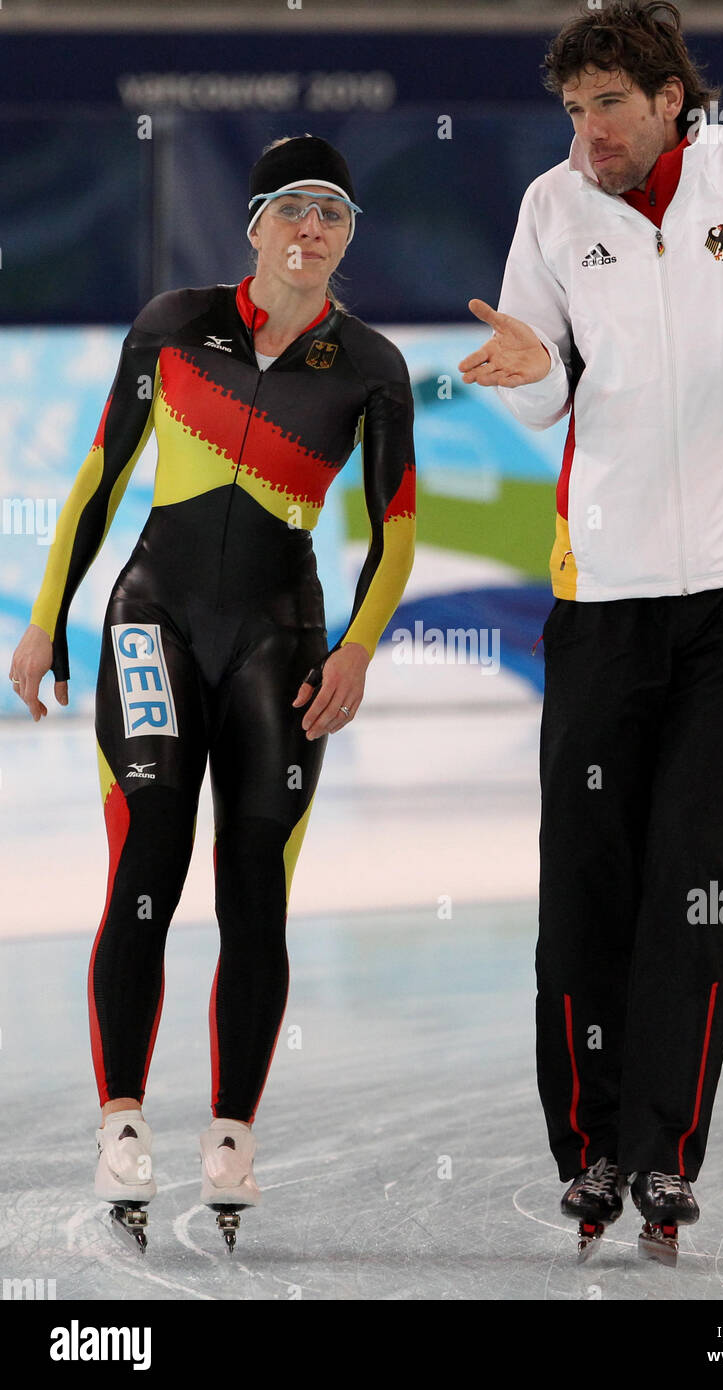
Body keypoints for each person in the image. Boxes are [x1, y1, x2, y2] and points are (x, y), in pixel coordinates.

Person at [459, 1, 723, 1264]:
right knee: (587, 881)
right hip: (603, 599)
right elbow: (539, 402)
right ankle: (587, 1152)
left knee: (700, 885)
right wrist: (525, 370)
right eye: (574, 111)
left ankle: (667, 1162)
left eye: (610, 106)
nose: (589, 135)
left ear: (672, 97)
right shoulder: (549, 211)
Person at [9, 134, 416, 1252]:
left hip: (279, 639)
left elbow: (397, 530)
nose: (312, 230)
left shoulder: (369, 364)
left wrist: (359, 650)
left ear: (346, 237)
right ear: (253, 227)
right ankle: (124, 1117)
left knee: (256, 885)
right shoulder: (173, 324)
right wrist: (47, 616)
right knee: (145, 856)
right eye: (292, 208)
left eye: (333, 213)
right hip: (155, 618)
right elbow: (101, 473)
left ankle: (232, 1132)